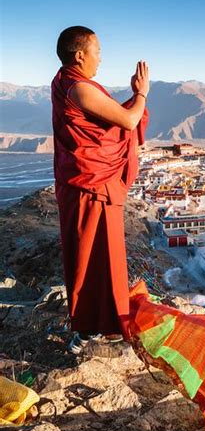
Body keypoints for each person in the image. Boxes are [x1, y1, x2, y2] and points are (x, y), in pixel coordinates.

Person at [51, 26, 149, 353]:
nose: (100, 59)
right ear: (80, 55)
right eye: (98, 52)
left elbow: (95, 125)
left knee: (90, 257)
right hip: (92, 185)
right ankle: (98, 327)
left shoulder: (64, 81)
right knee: (93, 258)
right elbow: (128, 121)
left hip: (83, 182)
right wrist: (141, 93)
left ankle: (91, 324)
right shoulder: (79, 88)